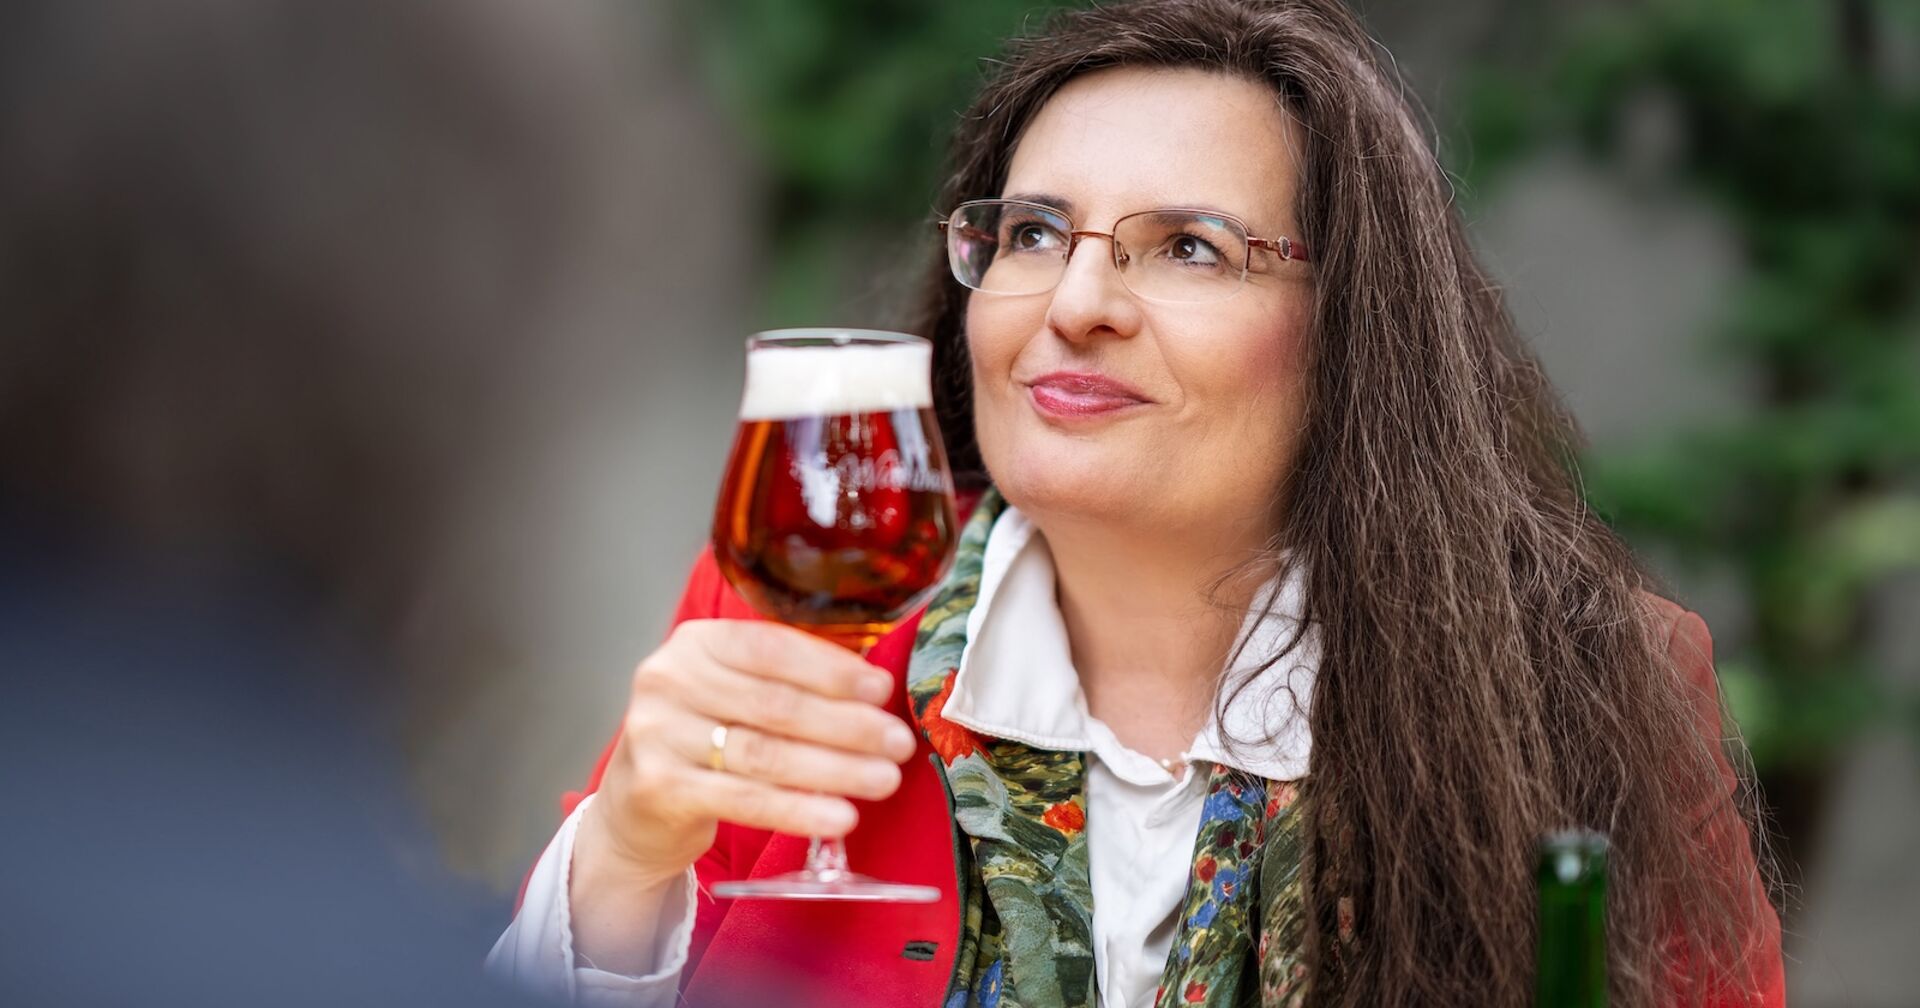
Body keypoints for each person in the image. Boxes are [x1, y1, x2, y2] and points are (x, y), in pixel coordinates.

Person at [488, 0, 1785, 1005]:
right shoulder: (800, 632)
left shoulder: (1583, 683)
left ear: (1353, 331)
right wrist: (628, 856)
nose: (1076, 304)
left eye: (1189, 249)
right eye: (1032, 233)